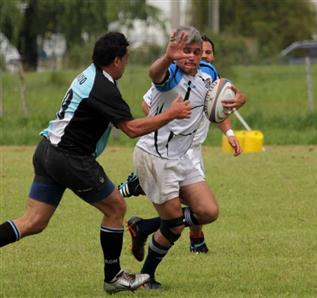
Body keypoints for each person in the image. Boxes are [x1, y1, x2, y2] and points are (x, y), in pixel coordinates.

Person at [0, 32, 191, 294]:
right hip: (70, 157)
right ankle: (113, 277)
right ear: (115, 61)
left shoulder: (90, 74)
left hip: (47, 151)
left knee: (33, 221)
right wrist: (171, 114)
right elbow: (132, 129)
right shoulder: (103, 86)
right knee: (115, 207)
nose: (126, 63)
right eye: (125, 59)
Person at [131, 26, 245, 289]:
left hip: (183, 156)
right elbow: (154, 73)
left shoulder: (208, 73)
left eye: (196, 52)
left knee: (208, 211)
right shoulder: (169, 74)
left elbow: (225, 100)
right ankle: (147, 277)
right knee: (173, 225)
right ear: (176, 53)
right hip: (155, 156)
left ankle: (143, 227)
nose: (192, 57)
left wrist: (240, 100)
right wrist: (167, 57)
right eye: (186, 52)